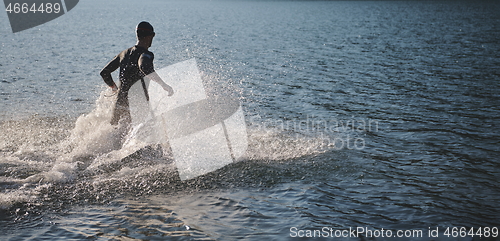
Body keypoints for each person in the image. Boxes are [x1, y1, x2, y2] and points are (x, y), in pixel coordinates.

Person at [100, 21, 174, 127]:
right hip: (137, 105)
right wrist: (164, 85)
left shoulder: (124, 54)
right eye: (153, 36)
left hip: (120, 103)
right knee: (146, 137)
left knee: (114, 136)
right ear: (149, 36)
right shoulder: (146, 54)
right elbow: (144, 66)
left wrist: (114, 88)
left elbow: (104, 73)